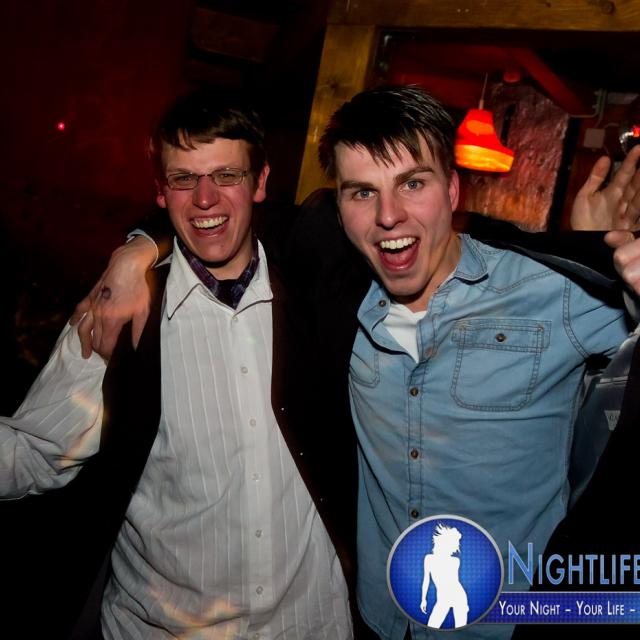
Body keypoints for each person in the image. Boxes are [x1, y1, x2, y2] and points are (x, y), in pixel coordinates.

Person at [71, 86, 640, 640]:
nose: (388, 215)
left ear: (452, 189)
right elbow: (224, 210)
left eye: (412, 183)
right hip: (376, 619)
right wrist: (138, 248)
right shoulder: (335, 286)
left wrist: (598, 248)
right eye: (362, 192)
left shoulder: (556, 292)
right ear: (339, 207)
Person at [0, 89, 353, 639]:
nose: (205, 198)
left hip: (309, 624)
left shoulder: (313, 290)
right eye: (184, 179)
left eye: (227, 175)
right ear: (161, 192)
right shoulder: (118, 317)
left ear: (260, 182)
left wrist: (140, 243)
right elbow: (33, 452)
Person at [420, 524, 468, 629]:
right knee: (432, 626)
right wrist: (423, 599)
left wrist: (464, 605)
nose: (456, 547)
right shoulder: (429, 559)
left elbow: (455, 582)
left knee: (461, 629)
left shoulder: (455, 561)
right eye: (455, 543)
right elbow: (426, 581)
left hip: (458, 597)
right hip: (443, 599)